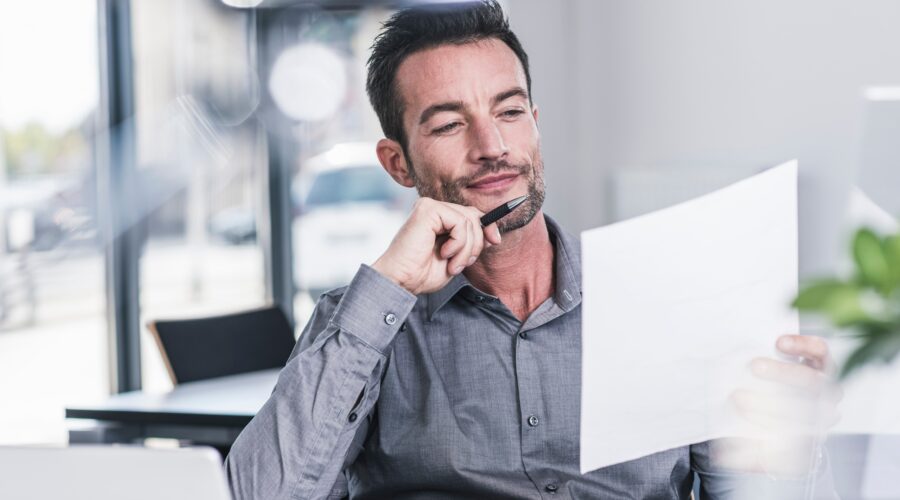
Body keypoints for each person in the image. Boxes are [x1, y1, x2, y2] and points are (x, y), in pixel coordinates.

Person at [226, 2, 837, 498]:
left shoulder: (668, 299)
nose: (492, 145)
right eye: (447, 124)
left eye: (510, 111)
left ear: (535, 124)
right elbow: (261, 494)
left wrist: (789, 447)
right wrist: (389, 285)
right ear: (397, 163)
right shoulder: (362, 326)